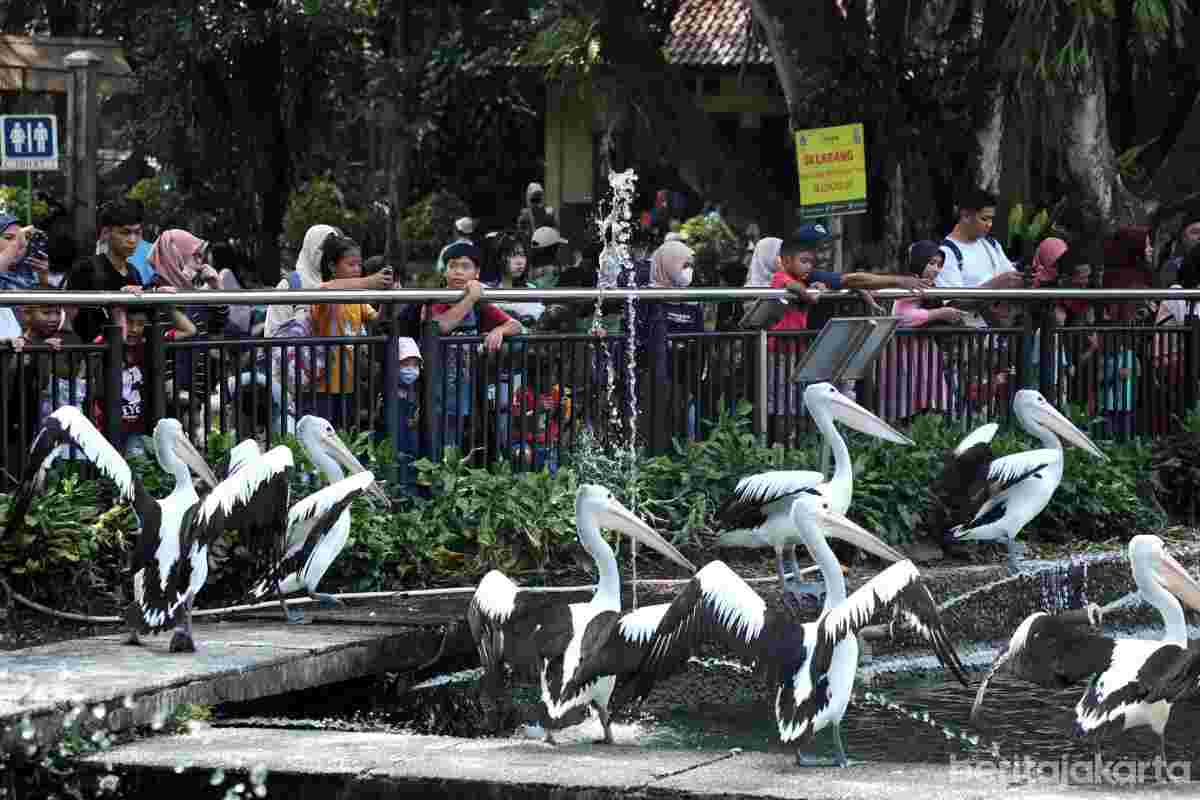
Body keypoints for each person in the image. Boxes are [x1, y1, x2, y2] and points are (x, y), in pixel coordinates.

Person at [421, 241, 521, 457]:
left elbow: (516, 325)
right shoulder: (435, 299)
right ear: (444, 270)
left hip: (467, 388)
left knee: (461, 444)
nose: (457, 271)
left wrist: (499, 331)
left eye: (465, 266)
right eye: (452, 265)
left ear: (476, 273)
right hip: (437, 389)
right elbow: (442, 325)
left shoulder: (478, 303)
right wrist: (471, 297)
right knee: (439, 443)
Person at [877, 241, 965, 421]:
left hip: (921, 349)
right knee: (910, 396)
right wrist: (939, 313)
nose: (936, 269)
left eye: (939, 265)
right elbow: (903, 316)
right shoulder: (911, 284)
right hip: (905, 351)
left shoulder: (927, 285)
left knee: (924, 396)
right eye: (931, 263)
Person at [309, 235, 379, 430]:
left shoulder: (357, 298)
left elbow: (378, 319)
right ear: (332, 266)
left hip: (350, 382)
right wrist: (370, 281)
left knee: (347, 436)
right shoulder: (324, 291)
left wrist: (390, 296)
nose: (357, 270)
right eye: (351, 264)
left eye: (359, 265)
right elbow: (326, 288)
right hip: (323, 384)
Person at [64, 201, 153, 343]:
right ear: (106, 233)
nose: (132, 240)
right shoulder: (85, 269)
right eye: (125, 232)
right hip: (91, 355)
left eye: (137, 233)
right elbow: (67, 319)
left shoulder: (134, 272)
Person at [936, 189, 1024, 327]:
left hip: (999, 334)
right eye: (984, 219)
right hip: (970, 338)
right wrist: (995, 285)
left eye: (991, 219)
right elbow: (954, 302)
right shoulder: (946, 253)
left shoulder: (991, 244)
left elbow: (1010, 278)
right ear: (965, 216)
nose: (989, 224)